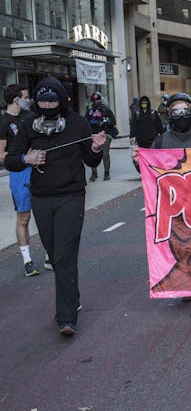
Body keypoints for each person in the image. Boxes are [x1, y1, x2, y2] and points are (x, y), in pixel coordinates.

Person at [4, 77, 106, 336]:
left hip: (71, 196)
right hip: (41, 197)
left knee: (63, 254)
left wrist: (95, 148)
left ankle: (67, 318)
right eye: (42, 100)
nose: (47, 105)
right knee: (53, 252)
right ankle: (73, 296)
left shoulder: (78, 124)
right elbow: (11, 160)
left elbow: (90, 159)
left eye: (52, 100)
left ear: (62, 100)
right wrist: (27, 158)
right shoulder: (28, 125)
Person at [133, 92, 191, 317]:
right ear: (169, 115)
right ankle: (189, 285)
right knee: (181, 248)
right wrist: (138, 162)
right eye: (176, 111)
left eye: (185, 110)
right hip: (173, 205)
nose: (181, 115)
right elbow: (149, 171)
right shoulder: (161, 141)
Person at [0, 84, 50, 275]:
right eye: (26, 97)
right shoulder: (4, 122)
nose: (28, 100)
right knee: (24, 216)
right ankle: (27, 261)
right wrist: (21, 156)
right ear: (15, 99)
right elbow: (0, 154)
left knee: (45, 213)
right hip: (19, 173)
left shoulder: (31, 118)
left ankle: (49, 255)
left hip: (38, 170)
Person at [85, 91, 117, 181]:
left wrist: (104, 123)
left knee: (105, 154)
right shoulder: (89, 111)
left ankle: (107, 173)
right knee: (92, 153)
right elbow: (85, 122)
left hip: (105, 134)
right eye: (93, 101)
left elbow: (113, 121)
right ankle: (94, 173)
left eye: (97, 101)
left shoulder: (106, 110)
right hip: (93, 135)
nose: (95, 103)